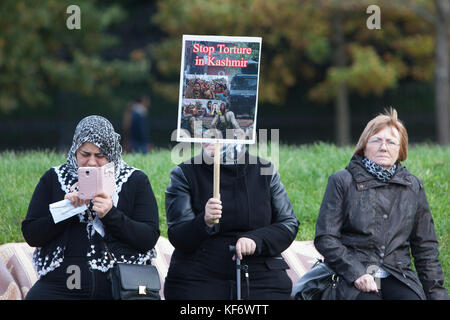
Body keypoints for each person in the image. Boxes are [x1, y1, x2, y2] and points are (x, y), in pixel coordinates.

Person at [314, 108, 448, 300]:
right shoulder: (342, 181)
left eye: (391, 142)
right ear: (364, 146)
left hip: (397, 274)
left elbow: (425, 247)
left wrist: (437, 296)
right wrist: (356, 272)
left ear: (400, 149)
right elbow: (326, 237)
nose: (383, 147)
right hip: (355, 273)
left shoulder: (413, 186)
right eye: (376, 140)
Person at [22, 115, 160, 299]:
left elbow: (148, 238)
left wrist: (111, 214)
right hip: (62, 283)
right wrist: (68, 210)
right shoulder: (54, 178)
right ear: (75, 151)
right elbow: (32, 234)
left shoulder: (135, 180)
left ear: (111, 153)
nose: (92, 162)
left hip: (121, 283)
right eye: (85, 154)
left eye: (100, 155)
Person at [163, 143, 299, 300]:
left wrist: (256, 240)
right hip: (199, 274)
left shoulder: (265, 170)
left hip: (259, 273)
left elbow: (288, 224)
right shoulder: (185, 173)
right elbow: (178, 235)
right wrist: (204, 221)